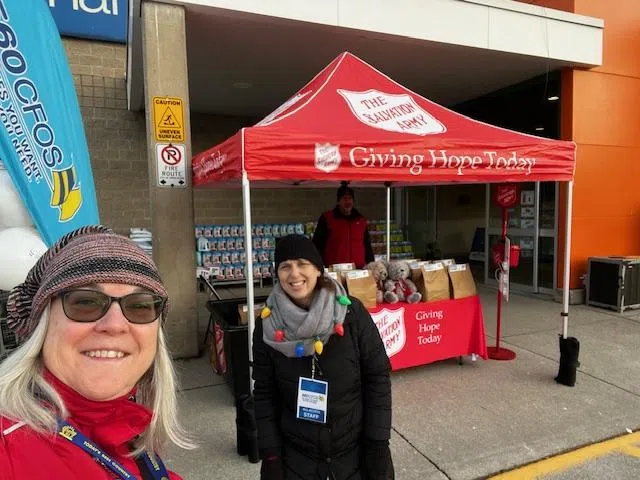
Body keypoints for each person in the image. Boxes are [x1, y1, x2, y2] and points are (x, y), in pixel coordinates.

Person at [0, 225, 194, 479]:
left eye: (139, 306)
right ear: (43, 326)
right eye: (85, 302)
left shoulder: (132, 444)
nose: (114, 325)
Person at [253, 234, 393, 480]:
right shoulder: (267, 325)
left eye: (302, 263)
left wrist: (378, 442)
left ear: (318, 269)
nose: (294, 274)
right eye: (285, 267)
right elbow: (264, 394)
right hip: (297, 459)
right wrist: (271, 455)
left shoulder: (351, 313)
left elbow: (377, 378)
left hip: (354, 454)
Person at [313, 185, 375, 269]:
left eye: (350, 198)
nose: (348, 202)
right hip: (335, 270)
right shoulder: (327, 218)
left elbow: (367, 246)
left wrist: (372, 264)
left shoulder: (361, 220)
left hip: (358, 269)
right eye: (345, 198)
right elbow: (317, 244)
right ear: (339, 201)